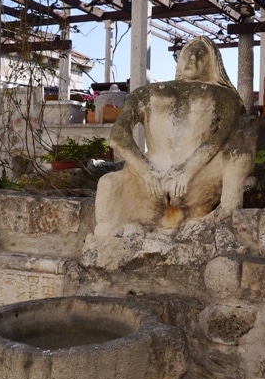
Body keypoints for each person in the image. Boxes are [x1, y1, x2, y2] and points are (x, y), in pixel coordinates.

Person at [94, 36, 254, 236]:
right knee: (107, 183)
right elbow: (118, 135)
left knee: (240, 156)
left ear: (211, 63)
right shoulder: (146, 92)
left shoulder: (224, 96)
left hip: (197, 178)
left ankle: (223, 216)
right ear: (180, 58)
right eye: (189, 53)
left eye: (200, 56)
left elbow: (220, 138)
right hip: (148, 178)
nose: (193, 60)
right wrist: (146, 172)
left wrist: (187, 171)